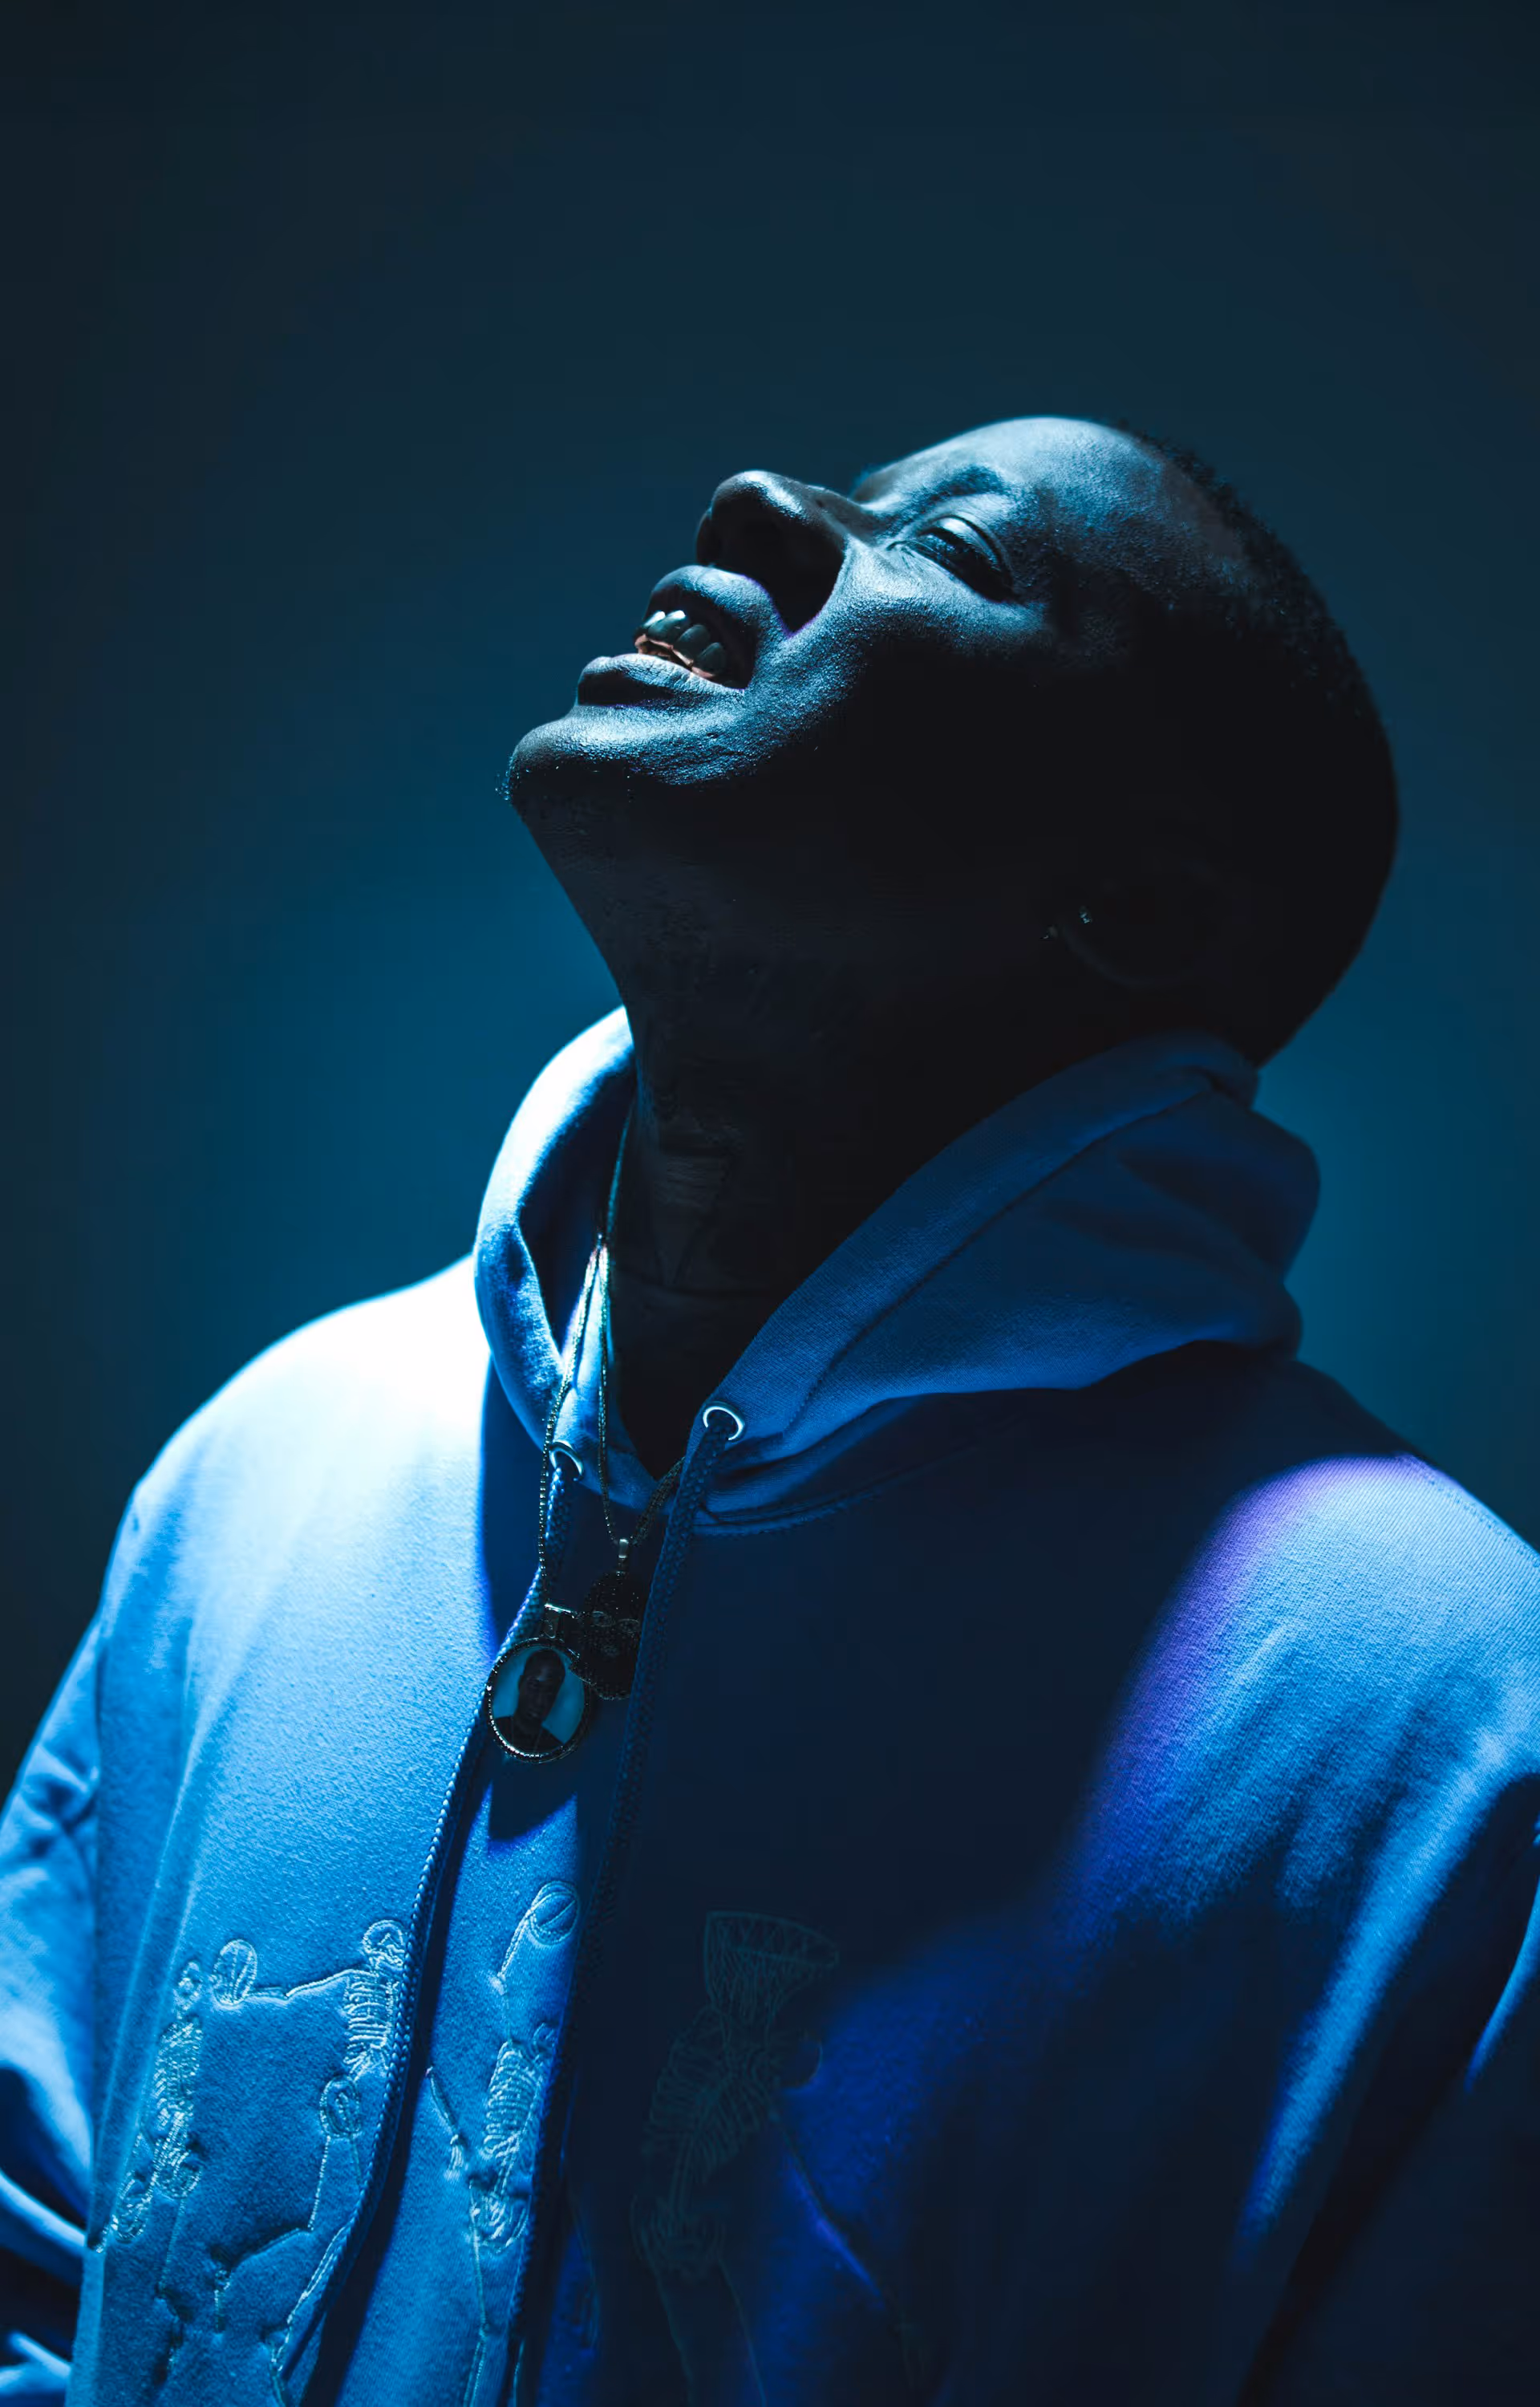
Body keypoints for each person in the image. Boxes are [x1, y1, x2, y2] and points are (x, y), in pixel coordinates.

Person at [2, 416, 1537, 2406]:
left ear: (1140, 913)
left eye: (957, 549)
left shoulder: (1431, 1739)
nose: (756, 506)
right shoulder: (266, 1471)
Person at [492, 1648, 567, 1758]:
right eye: (535, 1687)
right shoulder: (495, 1728)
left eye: (550, 1692)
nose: (540, 1701)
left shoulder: (555, 1747)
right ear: (520, 1683)